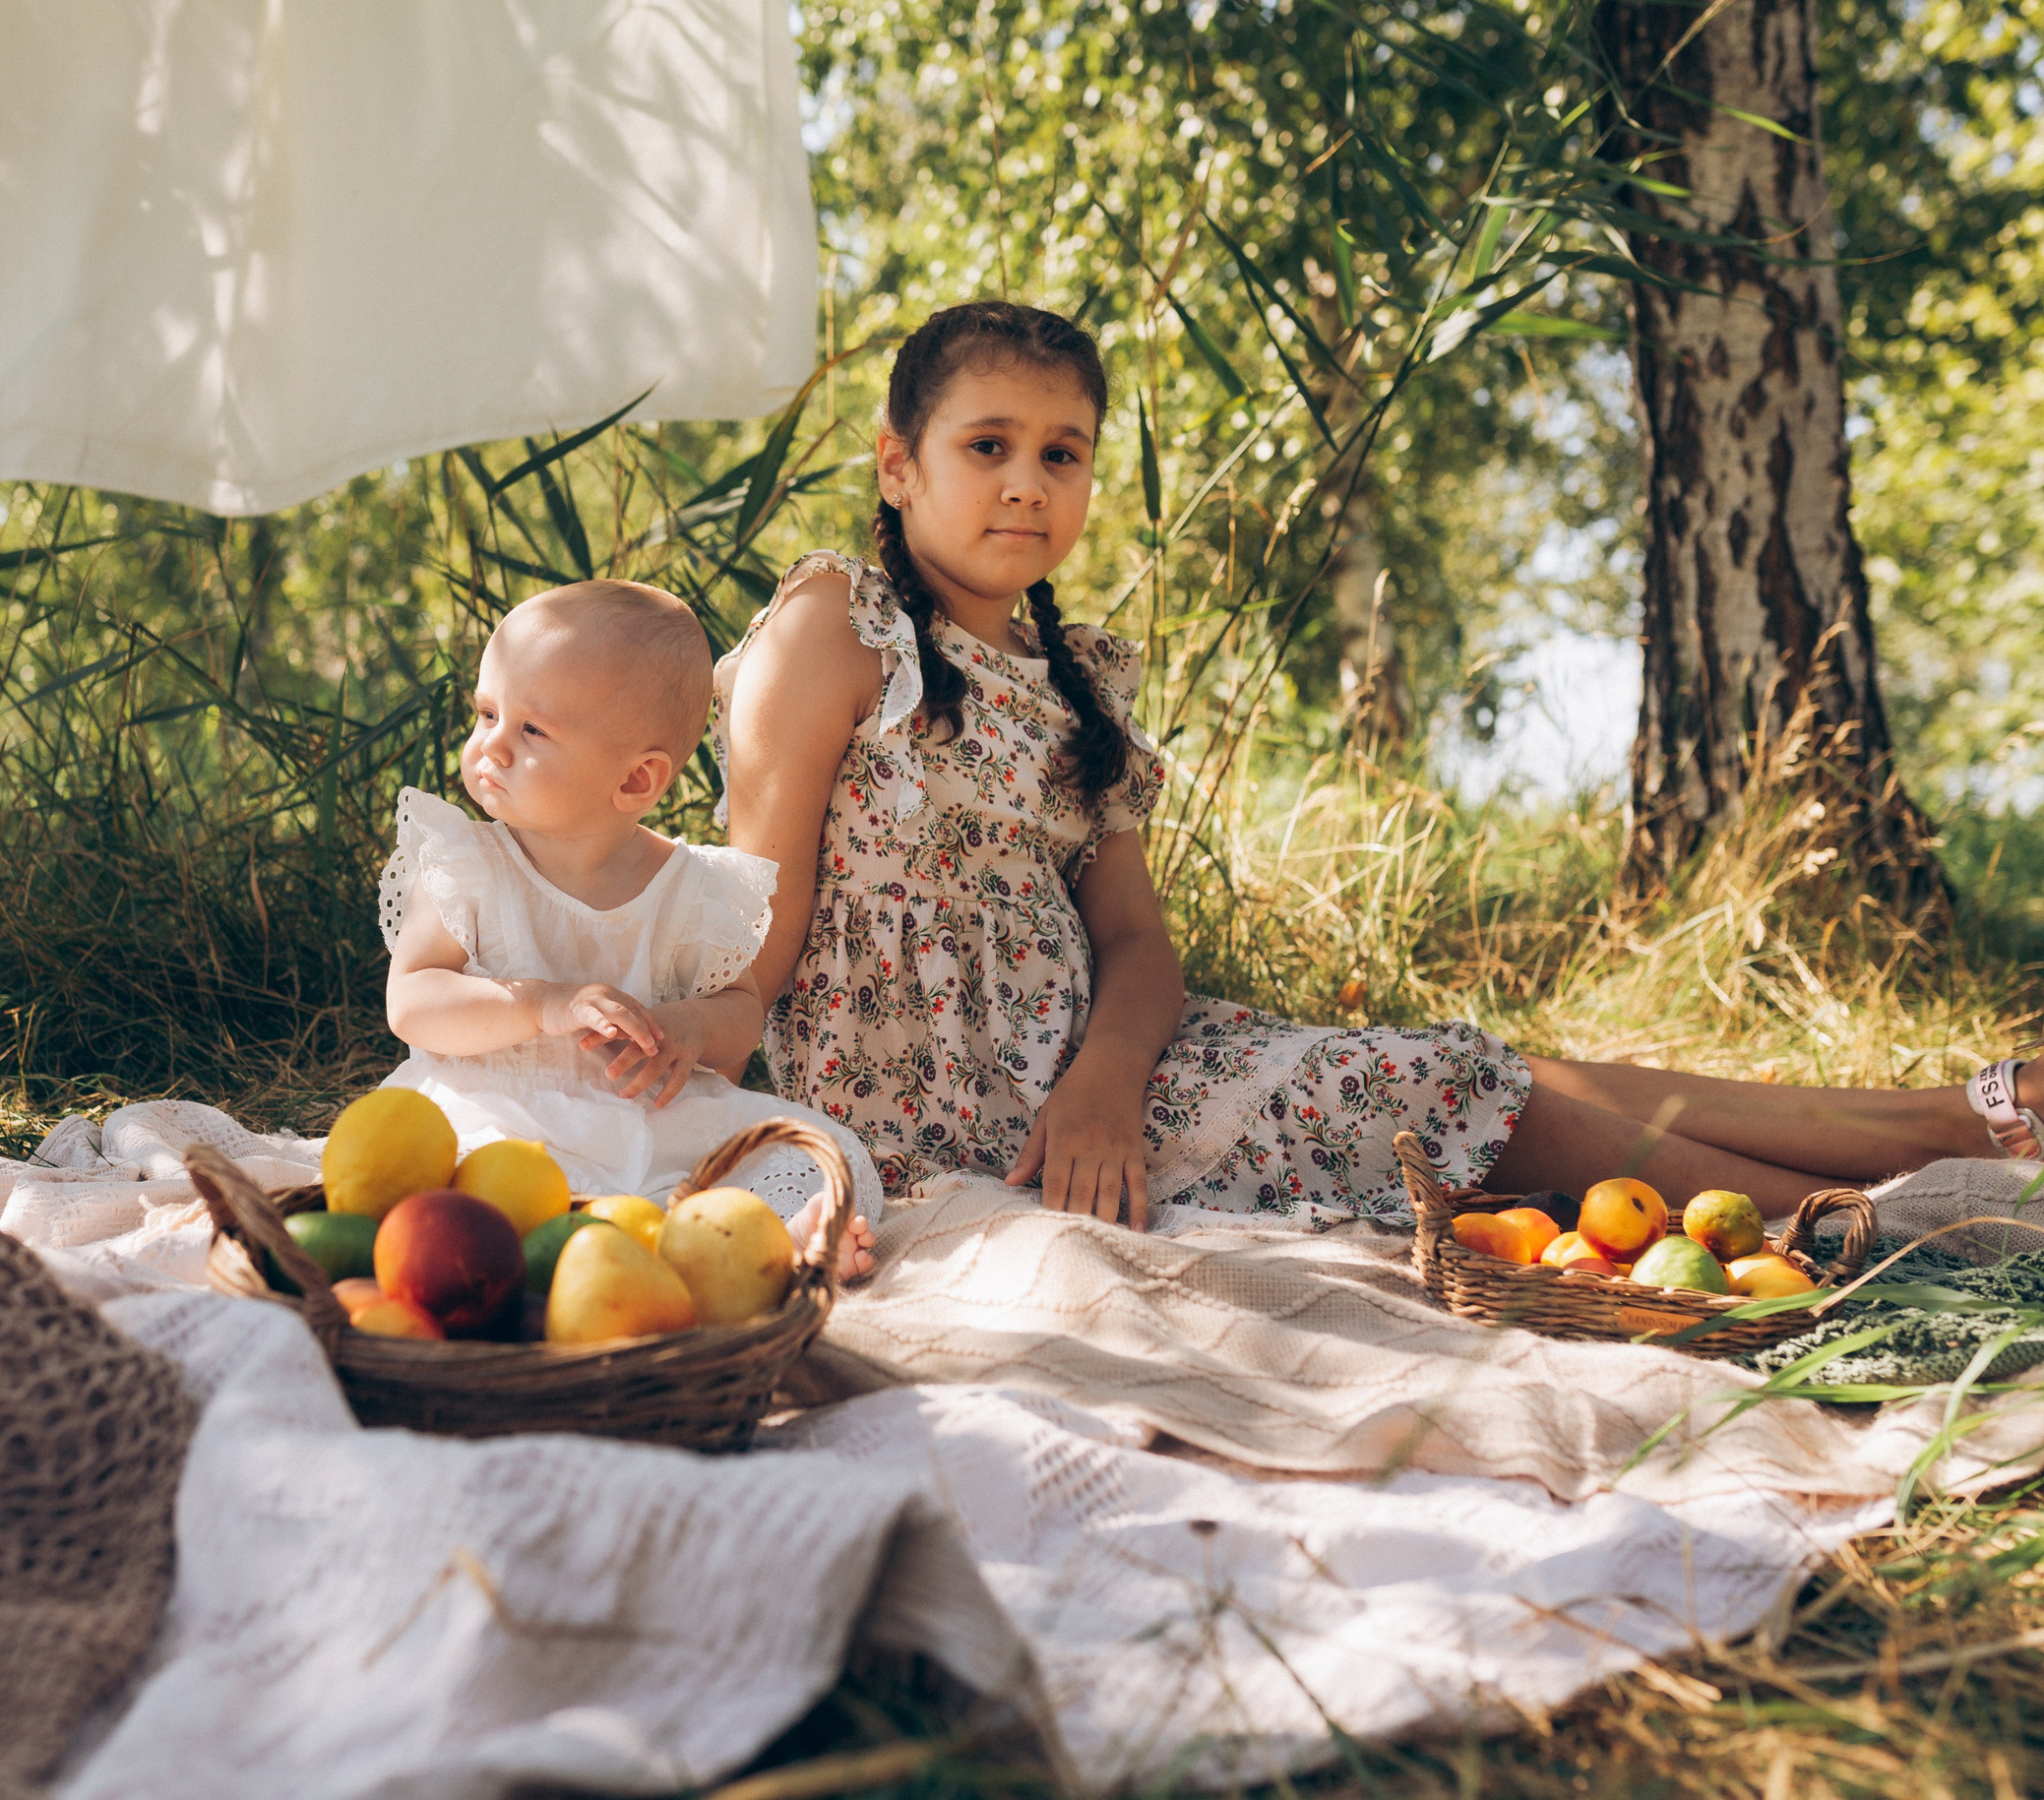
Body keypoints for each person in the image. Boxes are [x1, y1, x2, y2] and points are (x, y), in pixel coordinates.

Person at [714, 298, 2043, 1231]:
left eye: (1062, 454)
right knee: (1444, 1085)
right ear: (897, 465)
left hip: (1105, 1076)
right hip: (954, 1123)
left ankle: (1949, 1123)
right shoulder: (837, 629)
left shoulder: (1079, 680)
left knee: (1478, 1067)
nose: (1027, 483)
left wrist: (1106, 1079)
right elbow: (751, 925)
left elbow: (1135, 941)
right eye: (986, 446)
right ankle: (1891, 1212)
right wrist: (683, 1055)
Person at [380, 578, 881, 1273]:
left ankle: (763, 1238)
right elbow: (411, 1002)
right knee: (437, 1184)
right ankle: (632, 1250)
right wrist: (541, 1004)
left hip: (642, 1118)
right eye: (487, 712)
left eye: (531, 729)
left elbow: (743, 1010)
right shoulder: (469, 864)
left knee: (818, 1153)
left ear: (636, 781)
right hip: (495, 1112)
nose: (491, 745)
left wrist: (692, 1026)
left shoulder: (690, 889)